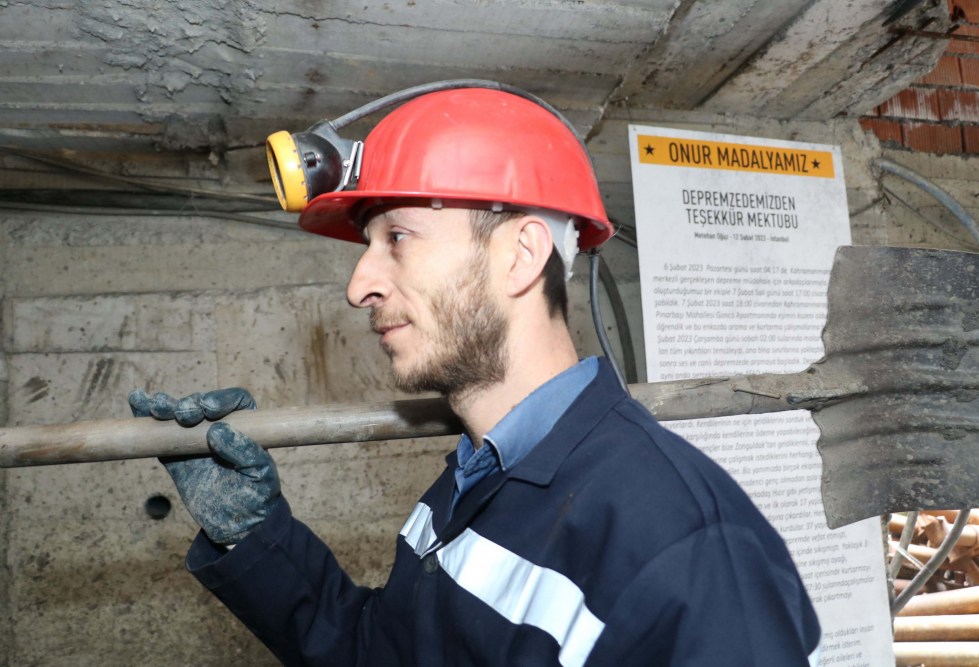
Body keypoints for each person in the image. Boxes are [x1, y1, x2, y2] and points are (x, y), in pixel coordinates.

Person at [129, 87, 821, 666]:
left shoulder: (687, 546)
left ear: (520, 255)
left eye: (397, 238)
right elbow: (384, 652)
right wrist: (252, 533)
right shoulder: (469, 481)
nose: (359, 286)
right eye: (370, 245)